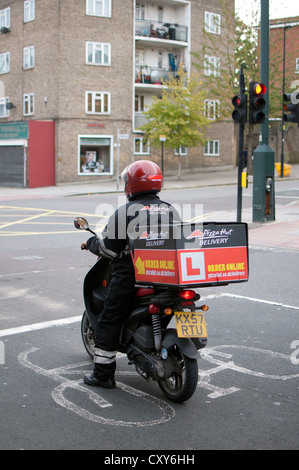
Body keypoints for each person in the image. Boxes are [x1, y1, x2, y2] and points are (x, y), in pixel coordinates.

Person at [81, 160, 180, 388]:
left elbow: (108, 249)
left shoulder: (125, 212)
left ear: (131, 184)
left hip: (132, 273)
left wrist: (91, 243)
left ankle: (103, 374)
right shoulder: (169, 209)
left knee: (111, 317)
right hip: (166, 274)